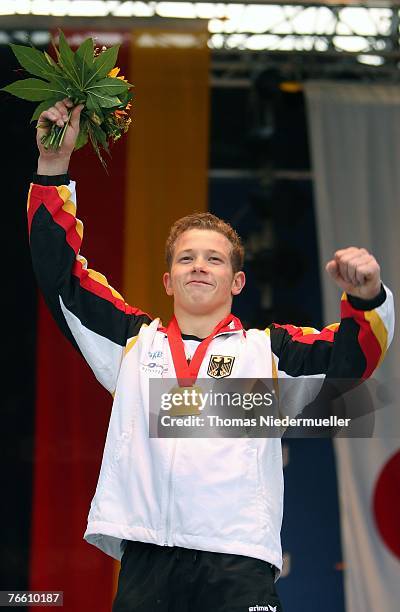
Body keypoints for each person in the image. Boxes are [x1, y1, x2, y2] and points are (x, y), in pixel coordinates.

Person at [29, 99, 394, 612]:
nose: (199, 266)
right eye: (186, 257)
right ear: (168, 278)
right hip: (147, 554)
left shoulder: (270, 353)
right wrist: (52, 168)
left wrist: (367, 298)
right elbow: (63, 278)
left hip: (237, 561)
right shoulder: (133, 345)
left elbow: (355, 356)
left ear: (237, 281)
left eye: (214, 258)